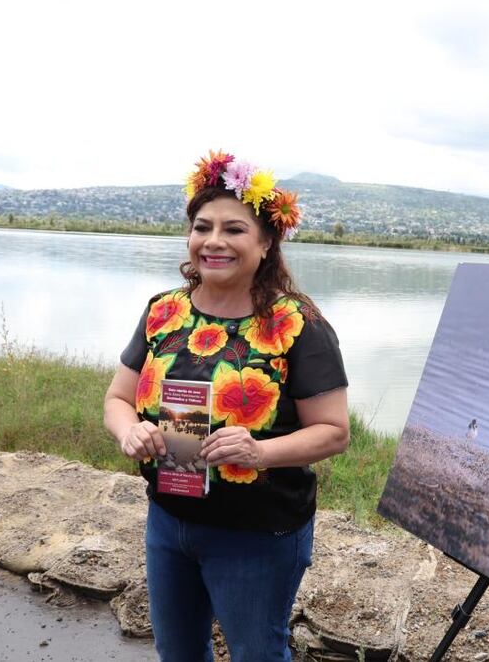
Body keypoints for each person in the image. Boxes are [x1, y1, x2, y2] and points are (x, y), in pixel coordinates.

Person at [103, 150, 350, 661]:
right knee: (178, 652)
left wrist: (259, 451)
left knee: (257, 654)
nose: (214, 241)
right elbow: (118, 399)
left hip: (256, 532)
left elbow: (333, 431)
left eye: (234, 229)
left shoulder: (297, 324)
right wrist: (129, 431)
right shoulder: (163, 312)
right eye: (203, 227)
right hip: (169, 519)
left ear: (266, 243)